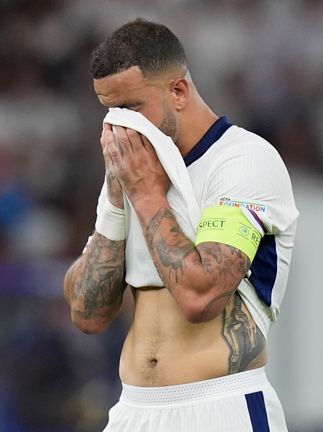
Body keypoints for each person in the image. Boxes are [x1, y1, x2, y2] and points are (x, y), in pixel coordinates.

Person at [63, 19, 298, 431]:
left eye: (132, 108)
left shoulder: (243, 161)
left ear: (178, 91)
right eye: (110, 111)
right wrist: (119, 204)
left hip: (219, 405)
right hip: (133, 408)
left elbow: (199, 297)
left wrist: (148, 196)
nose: (121, 126)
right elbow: (87, 313)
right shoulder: (133, 171)